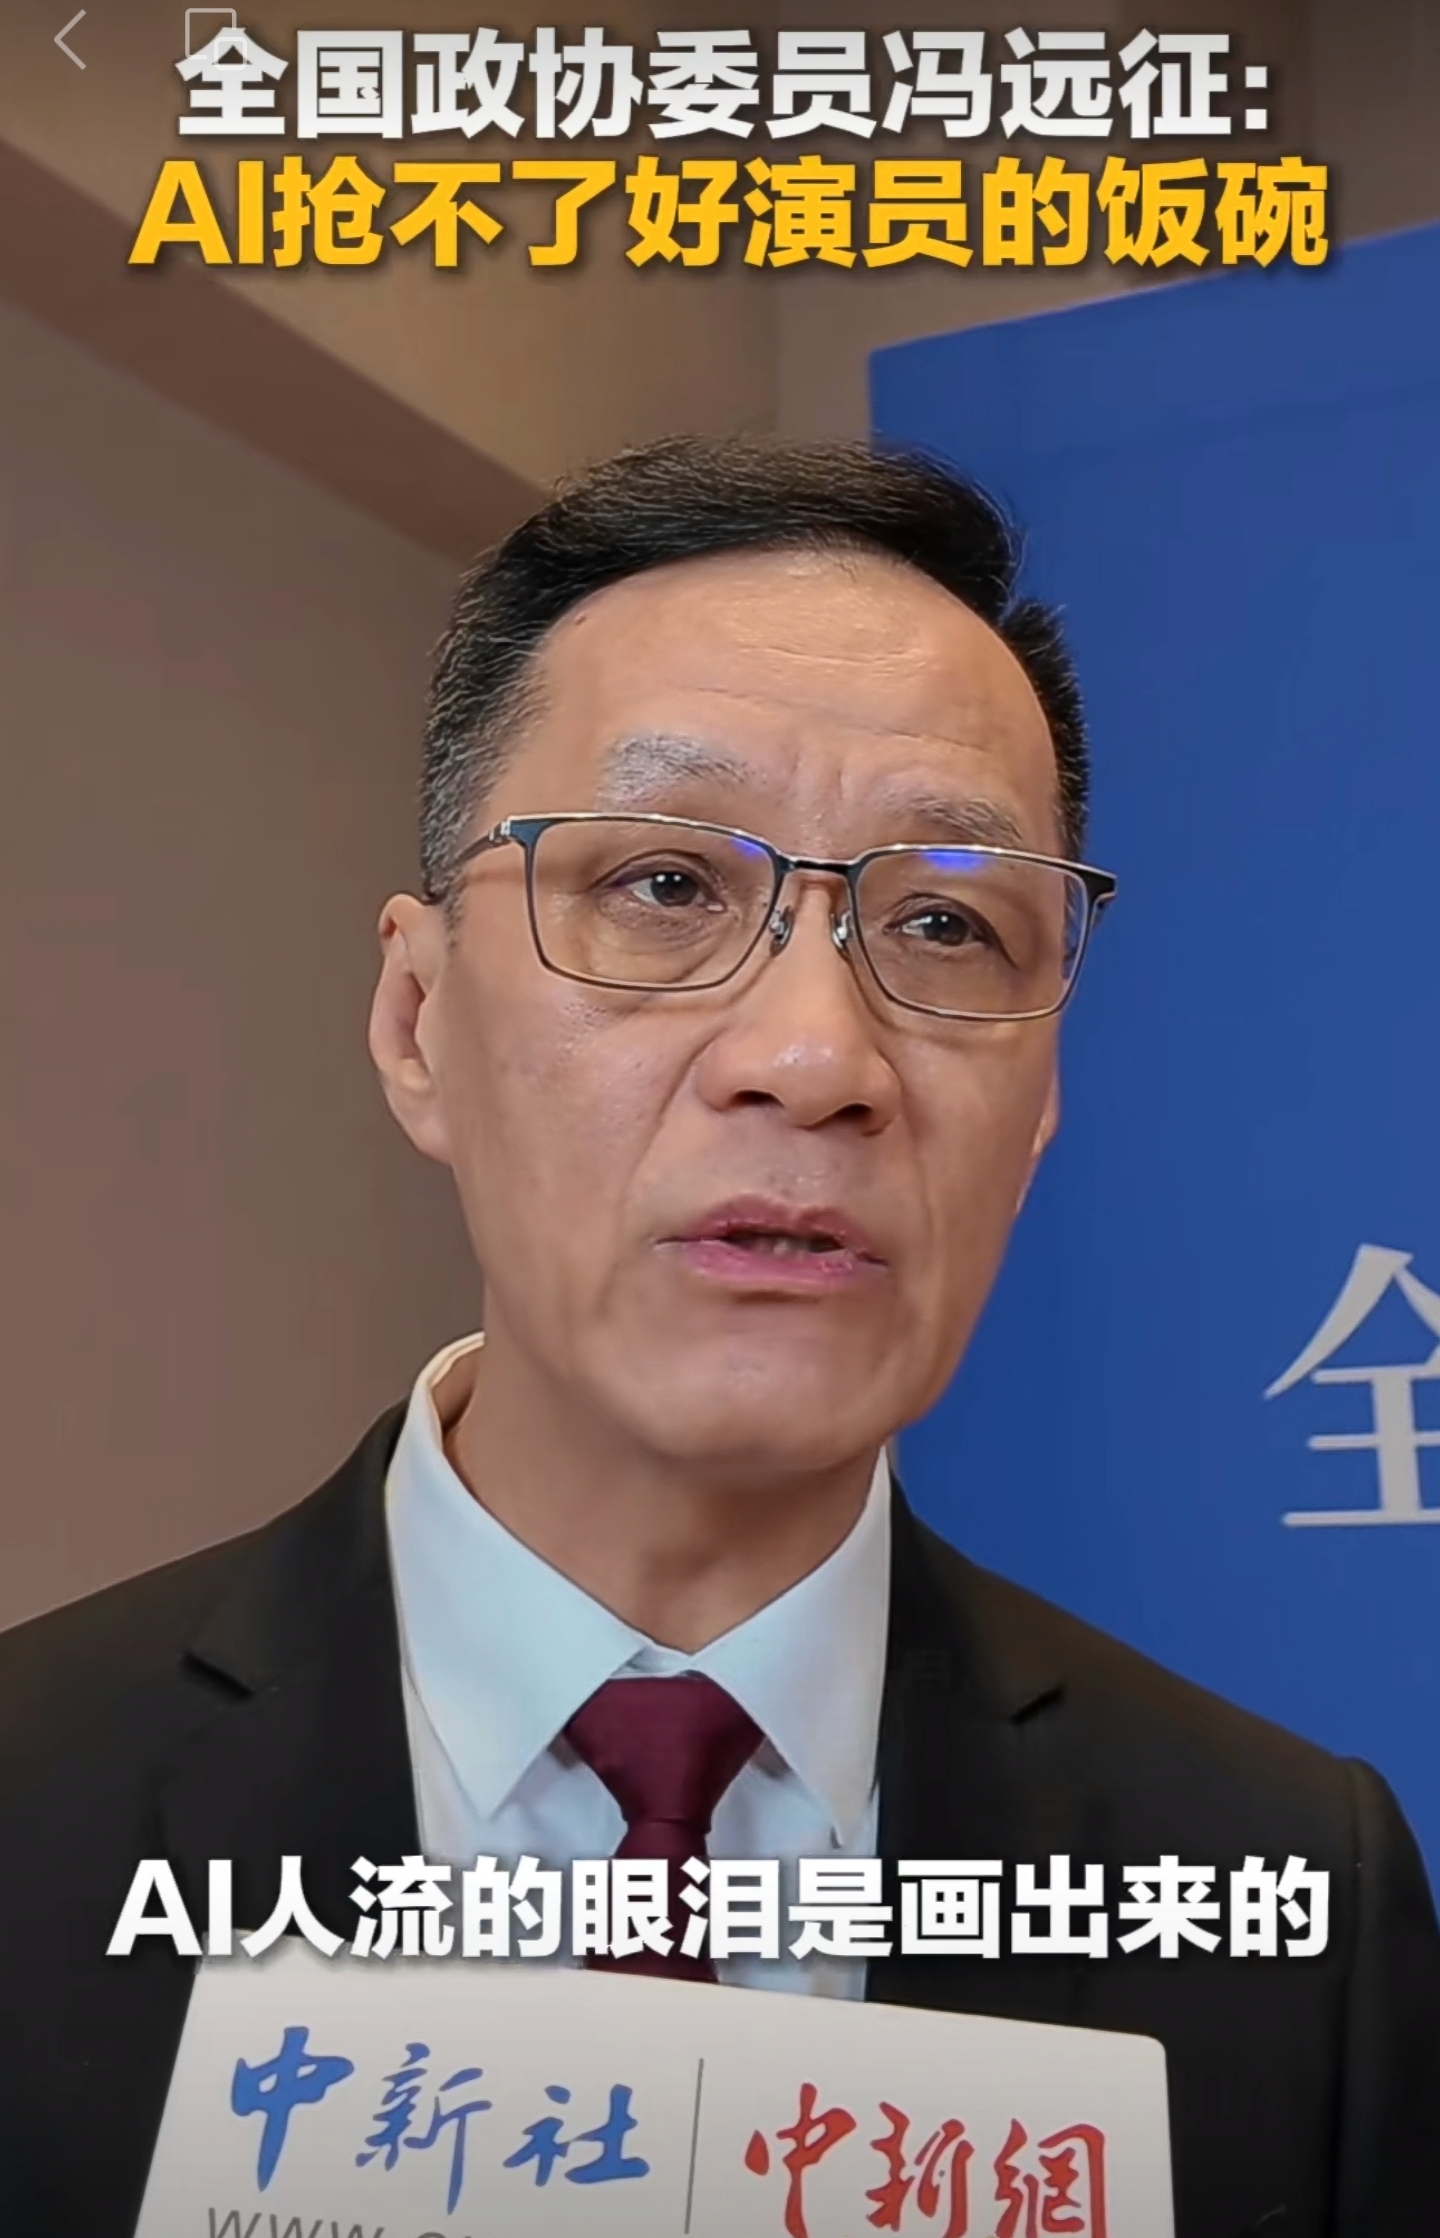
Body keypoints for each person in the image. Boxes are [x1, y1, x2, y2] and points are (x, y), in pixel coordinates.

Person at [1, 437, 1436, 2238]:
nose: (817, 1058)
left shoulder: (1293, 1892)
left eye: (946, 921)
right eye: (669, 886)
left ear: (1043, 1106)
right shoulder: (29, 1803)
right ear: (417, 1019)